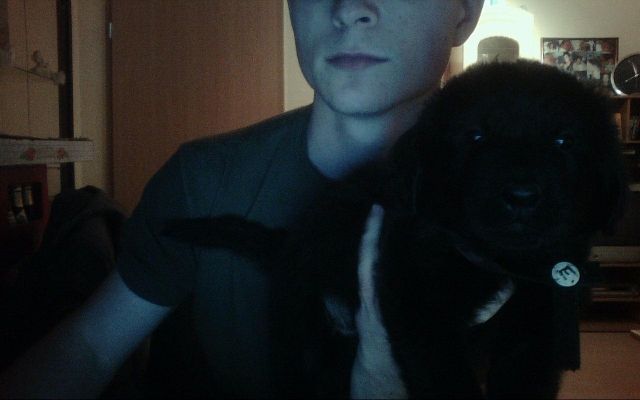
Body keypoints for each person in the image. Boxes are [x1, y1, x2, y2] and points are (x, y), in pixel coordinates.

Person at [0, 1, 483, 397]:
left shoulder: (513, 210)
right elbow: (91, 347)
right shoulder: (203, 181)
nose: (348, 8)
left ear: (466, 12)